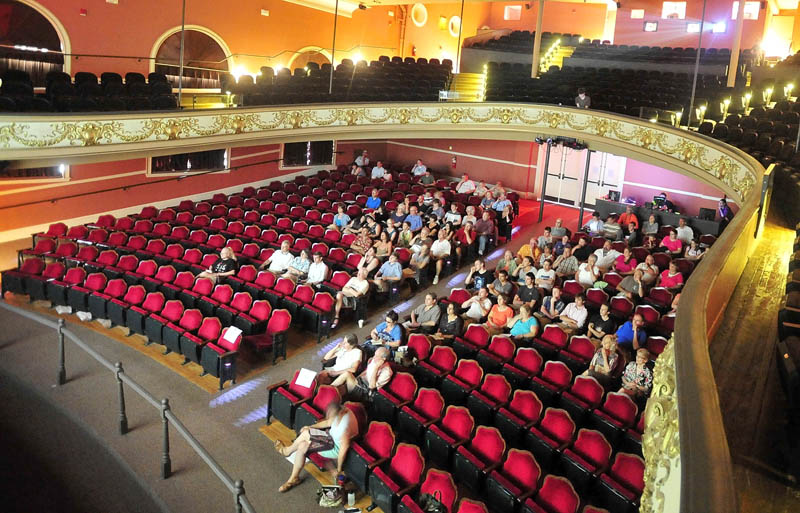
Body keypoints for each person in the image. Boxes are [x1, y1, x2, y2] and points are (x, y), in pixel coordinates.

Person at [274, 401, 358, 492]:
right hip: (329, 439)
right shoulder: (342, 411)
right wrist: (311, 427)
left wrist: (339, 468)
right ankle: (293, 479)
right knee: (303, 445)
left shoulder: (344, 429)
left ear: (338, 414)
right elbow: (328, 423)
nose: (329, 417)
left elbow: (343, 450)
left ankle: (287, 451)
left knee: (306, 434)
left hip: (334, 449)